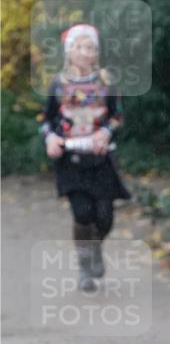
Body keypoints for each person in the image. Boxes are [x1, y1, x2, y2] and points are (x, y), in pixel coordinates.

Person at [41, 23, 131, 291]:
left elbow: (117, 116)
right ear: (69, 51)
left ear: (96, 52)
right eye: (79, 47)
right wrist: (50, 138)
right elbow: (45, 120)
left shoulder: (105, 82)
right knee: (82, 213)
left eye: (90, 47)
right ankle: (84, 268)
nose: (85, 52)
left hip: (100, 159)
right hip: (70, 160)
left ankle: (94, 248)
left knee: (105, 217)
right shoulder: (58, 84)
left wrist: (106, 132)